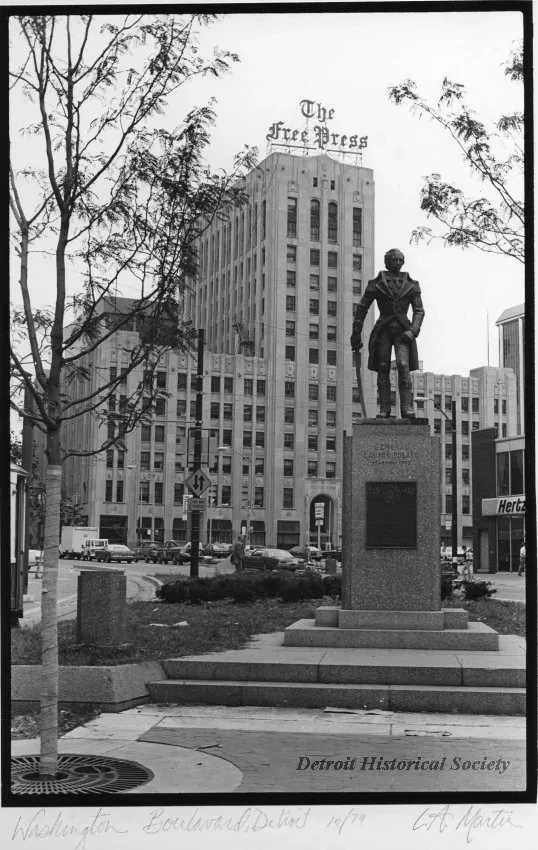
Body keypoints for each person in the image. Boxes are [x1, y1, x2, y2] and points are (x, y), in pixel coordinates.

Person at [350, 248, 425, 418]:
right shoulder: (375, 284)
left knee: (403, 365)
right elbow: (362, 309)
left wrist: (413, 331)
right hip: (383, 330)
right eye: (394, 260)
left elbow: (419, 310)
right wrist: (356, 333)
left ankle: (406, 408)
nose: (397, 263)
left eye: (400, 260)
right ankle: (385, 408)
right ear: (387, 262)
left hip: (403, 332)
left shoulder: (412, 285)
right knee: (383, 367)